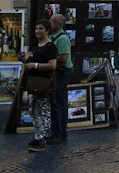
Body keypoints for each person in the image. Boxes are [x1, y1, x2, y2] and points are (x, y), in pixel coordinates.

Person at [24, 19, 58, 152]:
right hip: (34, 83)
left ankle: (42, 139)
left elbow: (52, 65)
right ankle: (37, 136)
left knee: (43, 112)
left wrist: (35, 65)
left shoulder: (50, 47)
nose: (37, 31)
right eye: (36, 28)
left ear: (47, 30)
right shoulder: (37, 46)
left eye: (41, 29)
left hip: (43, 84)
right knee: (35, 111)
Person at [48, 14, 72, 145]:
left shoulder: (62, 39)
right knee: (58, 102)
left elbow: (63, 57)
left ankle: (59, 133)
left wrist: (49, 58)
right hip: (57, 72)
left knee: (58, 103)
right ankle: (59, 132)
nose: (49, 23)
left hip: (61, 72)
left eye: (51, 21)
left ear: (58, 24)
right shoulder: (53, 37)